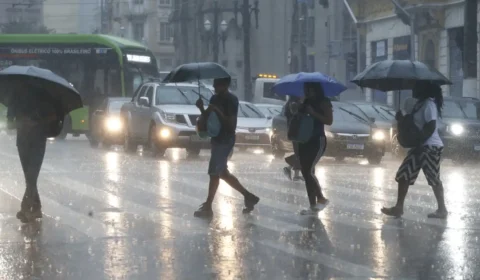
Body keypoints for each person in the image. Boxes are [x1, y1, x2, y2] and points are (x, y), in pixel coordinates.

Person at [194, 77, 260, 217]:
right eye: (214, 84)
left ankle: (208, 206)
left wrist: (217, 110)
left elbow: (231, 124)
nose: (215, 87)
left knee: (214, 173)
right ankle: (249, 196)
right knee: (222, 173)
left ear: (225, 85)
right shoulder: (214, 98)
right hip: (216, 138)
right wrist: (202, 109)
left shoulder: (231, 100)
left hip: (226, 139)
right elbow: (209, 117)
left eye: (218, 85)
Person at [382, 82, 448, 219]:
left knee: (433, 177)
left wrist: (420, 143)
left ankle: (442, 210)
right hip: (418, 147)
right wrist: (401, 118)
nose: (413, 90)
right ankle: (399, 207)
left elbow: (430, 127)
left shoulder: (429, 105)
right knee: (404, 174)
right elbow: (413, 125)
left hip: (430, 147)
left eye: (417, 87)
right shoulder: (419, 104)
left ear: (424, 89)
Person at [6, 80, 60, 223]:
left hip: (35, 142)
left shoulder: (42, 96)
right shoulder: (18, 97)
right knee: (30, 178)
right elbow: (9, 123)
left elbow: (53, 117)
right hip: (27, 142)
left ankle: (25, 209)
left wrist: (34, 122)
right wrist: (24, 122)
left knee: (31, 177)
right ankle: (36, 208)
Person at [297, 82, 333, 215]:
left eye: (311, 90)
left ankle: (321, 198)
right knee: (306, 173)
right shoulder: (305, 101)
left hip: (317, 140)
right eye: (307, 90)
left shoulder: (324, 102)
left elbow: (329, 120)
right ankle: (312, 205)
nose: (308, 93)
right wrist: (299, 107)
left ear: (317, 90)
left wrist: (313, 113)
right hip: (303, 139)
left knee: (308, 171)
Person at [283, 96, 304, 181]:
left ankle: (295, 173)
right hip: (297, 133)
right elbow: (296, 117)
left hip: (295, 133)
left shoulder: (290, 104)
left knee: (299, 153)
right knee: (300, 153)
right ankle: (289, 168)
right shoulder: (294, 104)